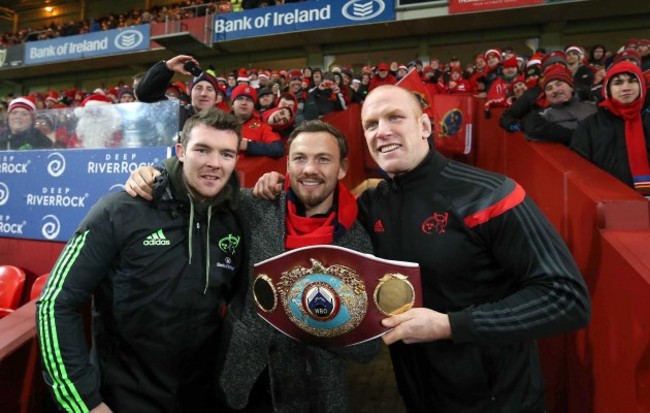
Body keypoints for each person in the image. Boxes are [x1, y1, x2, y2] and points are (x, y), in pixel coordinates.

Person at [254, 85, 591, 412]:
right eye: (371, 124)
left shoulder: (489, 193)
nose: (382, 131)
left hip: (500, 400)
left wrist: (450, 325)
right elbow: (321, 208)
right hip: (418, 397)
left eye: (395, 117)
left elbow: (566, 298)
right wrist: (284, 187)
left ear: (425, 126)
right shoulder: (372, 205)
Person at [124, 120, 379, 412]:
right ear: (288, 164)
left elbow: (366, 349)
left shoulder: (358, 243)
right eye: (300, 158)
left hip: (313, 392)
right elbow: (201, 183)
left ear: (343, 167)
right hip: (238, 382)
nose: (309, 169)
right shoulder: (256, 205)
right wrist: (159, 173)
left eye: (323, 159)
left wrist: (314, 319)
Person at [36, 109, 246, 413]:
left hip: (199, 399)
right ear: (181, 151)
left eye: (226, 153)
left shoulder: (234, 221)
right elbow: (55, 303)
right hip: (119, 400)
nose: (214, 163)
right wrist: (84, 402)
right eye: (202, 149)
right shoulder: (121, 209)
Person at [571, 61, 650, 197]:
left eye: (632, 81)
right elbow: (579, 170)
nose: (626, 88)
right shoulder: (590, 126)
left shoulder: (647, 121)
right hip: (607, 202)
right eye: (618, 83)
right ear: (608, 89)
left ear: (641, 86)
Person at [135, 54, 219, 130]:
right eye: (198, 88)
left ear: (216, 96)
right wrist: (167, 67)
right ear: (190, 92)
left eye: (209, 89)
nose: (203, 93)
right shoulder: (175, 112)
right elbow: (144, 94)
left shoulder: (224, 123)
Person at [522, 64, 596, 144]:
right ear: (546, 96)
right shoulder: (544, 115)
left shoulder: (592, 105)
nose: (555, 90)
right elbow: (531, 130)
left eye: (559, 84)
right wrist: (576, 136)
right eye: (549, 88)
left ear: (571, 87)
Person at [230, 83, 284, 158]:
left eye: (249, 100)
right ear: (232, 104)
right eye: (240, 98)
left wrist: (247, 145)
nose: (244, 103)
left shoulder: (261, 125)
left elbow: (277, 149)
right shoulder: (220, 122)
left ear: (254, 106)